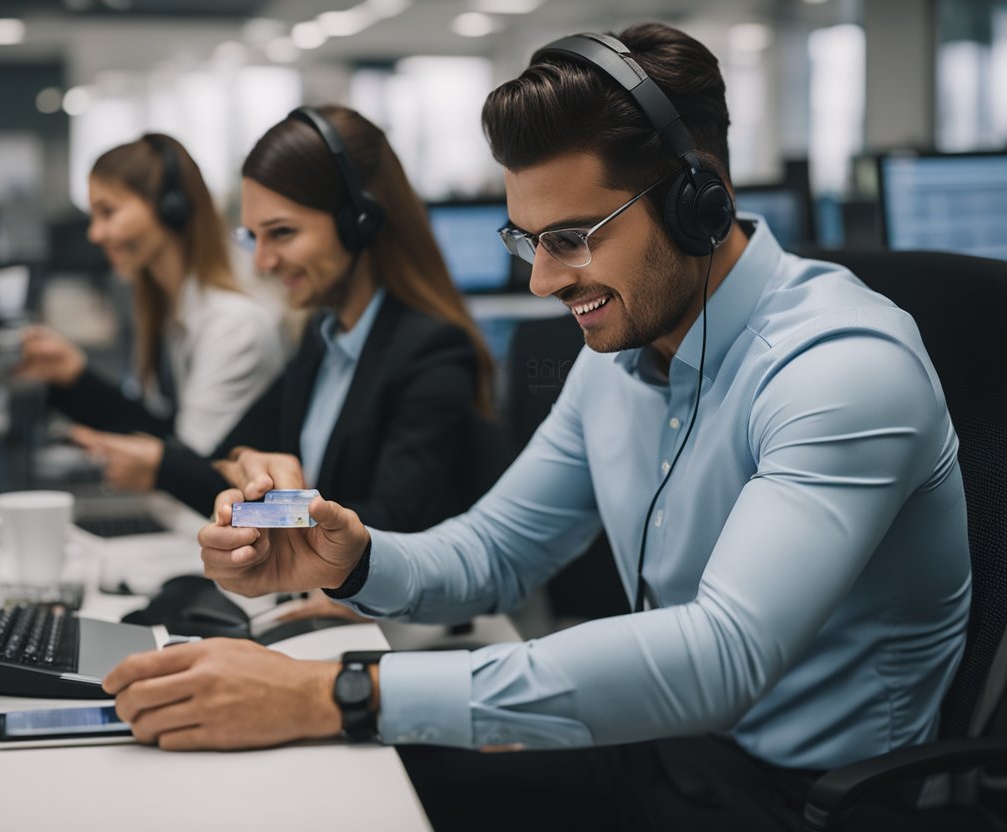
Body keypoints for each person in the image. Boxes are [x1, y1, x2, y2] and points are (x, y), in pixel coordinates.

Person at [102, 24, 971, 830]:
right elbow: (497, 551)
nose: (542, 283)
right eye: (527, 241)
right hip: (665, 751)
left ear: (694, 203)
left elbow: (722, 655)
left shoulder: (840, 367)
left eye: (571, 237)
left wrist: (337, 692)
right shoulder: (616, 354)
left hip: (812, 805)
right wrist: (358, 558)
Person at [69, 106, 500, 536]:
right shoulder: (325, 338)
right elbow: (220, 467)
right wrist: (233, 490)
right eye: (253, 236)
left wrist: (258, 509)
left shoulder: (431, 350)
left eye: (282, 233)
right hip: (323, 596)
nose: (261, 261)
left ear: (359, 223)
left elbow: (388, 524)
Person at [15, 133, 287, 467]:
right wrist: (74, 376)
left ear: (170, 208)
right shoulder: (174, 311)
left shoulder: (233, 325)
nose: (94, 234)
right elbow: (165, 435)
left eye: (108, 212)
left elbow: (188, 463)